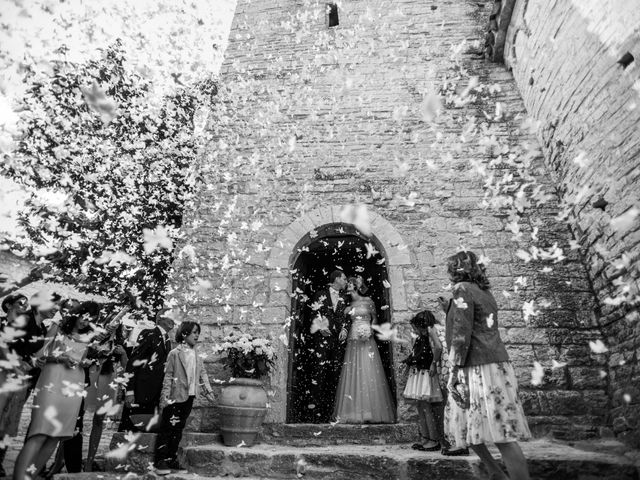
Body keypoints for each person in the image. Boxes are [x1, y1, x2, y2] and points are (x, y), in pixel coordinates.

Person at [443, 250, 531, 480]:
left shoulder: (462, 289)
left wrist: (452, 370)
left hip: (477, 367)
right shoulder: (484, 292)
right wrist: (449, 310)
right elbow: (476, 322)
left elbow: (462, 335)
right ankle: (496, 474)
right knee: (466, 425)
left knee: (502, 435)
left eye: (451, 268)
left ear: (456, 269)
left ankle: (505, 475)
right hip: (494, 364)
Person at [13, 301, 94, 480]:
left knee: (56, 437)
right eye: (82, 316)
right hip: (52, 382)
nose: (84, 322)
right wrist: (60, 358)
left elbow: (82, 358)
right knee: (40, 433)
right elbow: (38, 356)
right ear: (76, 314)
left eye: (89, 320)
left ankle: (30, 477)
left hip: (74, 388)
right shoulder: (57, 327)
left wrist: (84, 363)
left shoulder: (88, 337)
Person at [0, 292, 60, 476]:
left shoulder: (41, 326)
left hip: (23, 379)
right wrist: (15, 365)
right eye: (54, 305)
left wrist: (34, 362)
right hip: (6, 375)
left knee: (9, 422)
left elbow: (34, 353)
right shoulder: (25, 319)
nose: (56, 309)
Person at [154, 322, 214, 475]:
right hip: (174, 397)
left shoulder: (197, 354)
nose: (196, 335)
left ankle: (171, 458)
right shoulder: (175, 353)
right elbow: (168, 376)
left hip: (190, 396)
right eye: (194, 332)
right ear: (184, 334)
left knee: (178, 428)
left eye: (197, 332)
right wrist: (164, 397)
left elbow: (203, 373)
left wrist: (208, 390)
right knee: (167, 428)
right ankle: (160, 461)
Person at [333, 276, 395, 423]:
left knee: (369, 370)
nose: (347, 285)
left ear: (355, 286)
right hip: (353, 340)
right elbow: (342, 320)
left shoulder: (368, 301)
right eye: (346, 283)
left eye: (349, 283)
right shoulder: (347, 303)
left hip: (367, 340)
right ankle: (353, 412)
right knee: (353, 372)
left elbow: (374, 318)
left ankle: (371, 412)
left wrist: (370, 330)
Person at [119, 311, 175, 432]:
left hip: (155, 394)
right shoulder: (148, 334)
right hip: (141, 392)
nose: (173, 319)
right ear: (160, 318)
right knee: (131, 429)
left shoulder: (168, 341)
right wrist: (129, 392)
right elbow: (133, 363)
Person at [307, 270, 350, 423]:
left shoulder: (345, 297)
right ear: (337, 278)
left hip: (338, 342)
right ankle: (314, 413)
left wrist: (345, 329)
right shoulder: (319, 294)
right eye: (344, 278)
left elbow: (347, 317)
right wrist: (320, 326)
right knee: (318, 373)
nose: (346, 281)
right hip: (322, 340)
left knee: (335, 374)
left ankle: (330, 411)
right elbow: (313, 312)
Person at [402, 310, 443, 451]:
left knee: (426, 407)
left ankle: (433, 439)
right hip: (418, 373)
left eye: (416, 328)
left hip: (425, 373)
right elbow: (415, 353)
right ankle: (425, 437)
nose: (415, 330)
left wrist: (433, 363)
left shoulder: (429, 336)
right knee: (420, 407)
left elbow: (429, 352)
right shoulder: (420, 338)